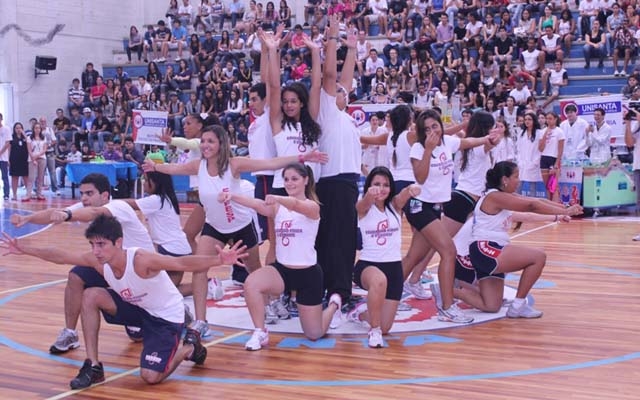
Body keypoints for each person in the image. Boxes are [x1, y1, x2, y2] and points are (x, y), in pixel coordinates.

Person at [0, 214, 248, 389]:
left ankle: (189, 347)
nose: (96, 250)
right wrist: (24, 249)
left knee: (150, 377)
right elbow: (62, 256)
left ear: (118, 243)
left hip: (165, 317)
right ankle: (94, 366)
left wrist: (219, 261)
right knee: (91, 295)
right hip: (138, 309)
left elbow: (182, 263)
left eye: (101, 244)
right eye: (92, 245)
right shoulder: (99, 260)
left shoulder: (140, 260)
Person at [141, 125, 328, 338]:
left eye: (210, 141)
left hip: (241, 225)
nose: (205, 145)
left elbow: (268, 163)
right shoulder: (197, 166)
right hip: (215, 227)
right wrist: (155, 168)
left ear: (221, 143)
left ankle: (270, 304)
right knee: (199, 268)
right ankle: (201, 321)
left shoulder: (234, 165)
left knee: (255, 270)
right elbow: (173, 169)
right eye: (203, 141)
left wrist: (303, 156)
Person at [10, 173, 155, 354]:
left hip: (141, 273)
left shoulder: (119, 207)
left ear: (104, 196)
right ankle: (70, 333)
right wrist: (27, 219)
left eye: (89, 193)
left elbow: (92, 213)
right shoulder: (85, 207)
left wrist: (66, 214)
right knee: (76, 276)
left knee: (140, 333)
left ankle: (172, 311)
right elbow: (52, 215)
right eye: (82, 194)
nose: (84, 198)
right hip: (114, 269)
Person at [219, 163, 341, 350]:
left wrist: (277, 197)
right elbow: (257, 204)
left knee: (314, 334)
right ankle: (260, 331)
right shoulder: (278, 208)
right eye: (286, 179)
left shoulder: (312, 206)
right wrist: (232, 197)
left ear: (306, 180)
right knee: (252, 283)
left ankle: (334, 304)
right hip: (282, 271)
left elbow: (296, 204)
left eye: (294, 179)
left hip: (308, 275)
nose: (289, 183)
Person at [452, 161, 583, 317]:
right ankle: (518, 306)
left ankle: (449, 290)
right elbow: (531, 206)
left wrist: (564, 210)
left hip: (485, 251)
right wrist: (567, 210)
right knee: (538, 257)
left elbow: (537, 201)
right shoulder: (495, 196)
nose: (519, 180)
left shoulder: (501, 196)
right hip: (486, 249)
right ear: (505, 180)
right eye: (516, 176)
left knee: (491, 305)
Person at [404, 109, 490, 324]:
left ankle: (387, 294)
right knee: (448, 251)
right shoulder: (418, 147)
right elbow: (420, 178)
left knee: (413, 257)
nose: (433, 131)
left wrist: (488, 138)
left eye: (435, 126)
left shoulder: (449, 142)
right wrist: (428, 150)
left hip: (434, 207)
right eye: (427, 129)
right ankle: (447, 308)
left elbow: (470, 142)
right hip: (418, 206)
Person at [350, 166, 421, 348]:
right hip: (368, 266)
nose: (381, 189)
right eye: (376, 184)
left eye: (385, 185)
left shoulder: (395, 206)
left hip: (394, 269)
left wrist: (411, 189)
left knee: (387, 326)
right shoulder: (363, 207)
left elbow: (404, 194)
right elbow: (364, 203)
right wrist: (369, 194)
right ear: (368, 186)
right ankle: (374, 331)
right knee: (379, 280)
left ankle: (361, 314)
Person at [538, 112, 565, 200]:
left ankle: (555, 208)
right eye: (547, 119)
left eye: (550, 118)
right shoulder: (542, 131)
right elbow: (540, 148)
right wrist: (545, 135)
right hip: (544, 158)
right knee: (547, 186)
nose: (548, 121)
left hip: (553, 159)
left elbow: (560, 150)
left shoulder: (559, 132)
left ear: (555, 119)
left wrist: (556, 164)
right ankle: (549, 207)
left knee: (554, 186)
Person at [0, 113, 12, 200]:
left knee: (5, 176)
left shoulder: (6, 129)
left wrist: (0, 153)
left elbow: (8, 143)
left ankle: (6, 194)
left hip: (3, 158)